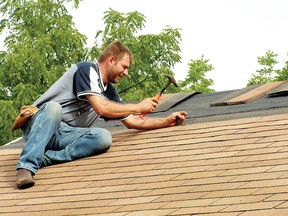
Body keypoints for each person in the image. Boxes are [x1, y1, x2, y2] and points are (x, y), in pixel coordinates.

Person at [16, 41, 187, 189]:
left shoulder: (109, 91)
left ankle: (45, 159)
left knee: (103, 137)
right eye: (124, 66)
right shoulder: (87, 69)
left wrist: (166, 120)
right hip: (41, 126)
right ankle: (26, 167)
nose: (126, 72)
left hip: (64, 136)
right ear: (111, 59)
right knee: (53, 108)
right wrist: (137, 106)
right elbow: (101, 108)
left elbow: (134, 122)